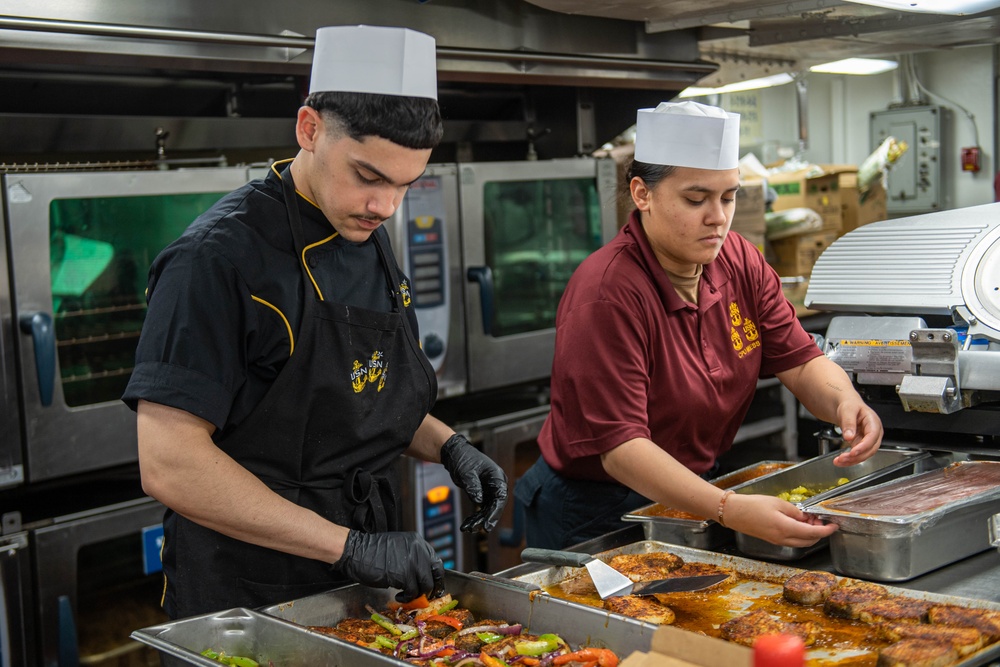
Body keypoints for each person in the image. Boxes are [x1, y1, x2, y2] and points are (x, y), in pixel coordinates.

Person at [123, 25, 507, 619]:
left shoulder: (362, 228)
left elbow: (353, 390)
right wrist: (349, 546)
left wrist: (448, 445)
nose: (385, 207)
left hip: (357, 581)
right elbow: (169, 462)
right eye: (369, 176)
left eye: (406, 184)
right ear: (309, 129)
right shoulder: (215, 259)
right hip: (246, 593)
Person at [517, 101, 883, 551]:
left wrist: (846, 401)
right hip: (594, 511)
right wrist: (728, 507)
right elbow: (622, 450)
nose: (718, 217)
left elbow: (802, 361)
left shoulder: (739, 260)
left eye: (729, 197)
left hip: (695, 490)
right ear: (642, 194)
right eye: (696, 199)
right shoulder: (608, 293)